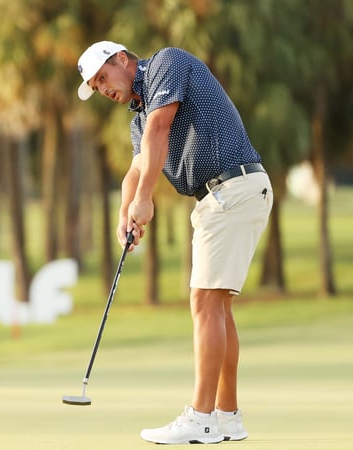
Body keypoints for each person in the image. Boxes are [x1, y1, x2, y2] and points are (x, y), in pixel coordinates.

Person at [76, 41, 272, 444]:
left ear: (123, 60)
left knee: (204, 302)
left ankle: (201, 418)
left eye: (102, 77)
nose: (102, 89)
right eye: (95, 87)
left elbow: (159, 132)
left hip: (231, 188)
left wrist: (146, 200)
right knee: (216, 305)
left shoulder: (167, 63)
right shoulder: (138, 117)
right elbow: (136, 167)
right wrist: (124, 213)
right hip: (223, 196)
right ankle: (227, 416)